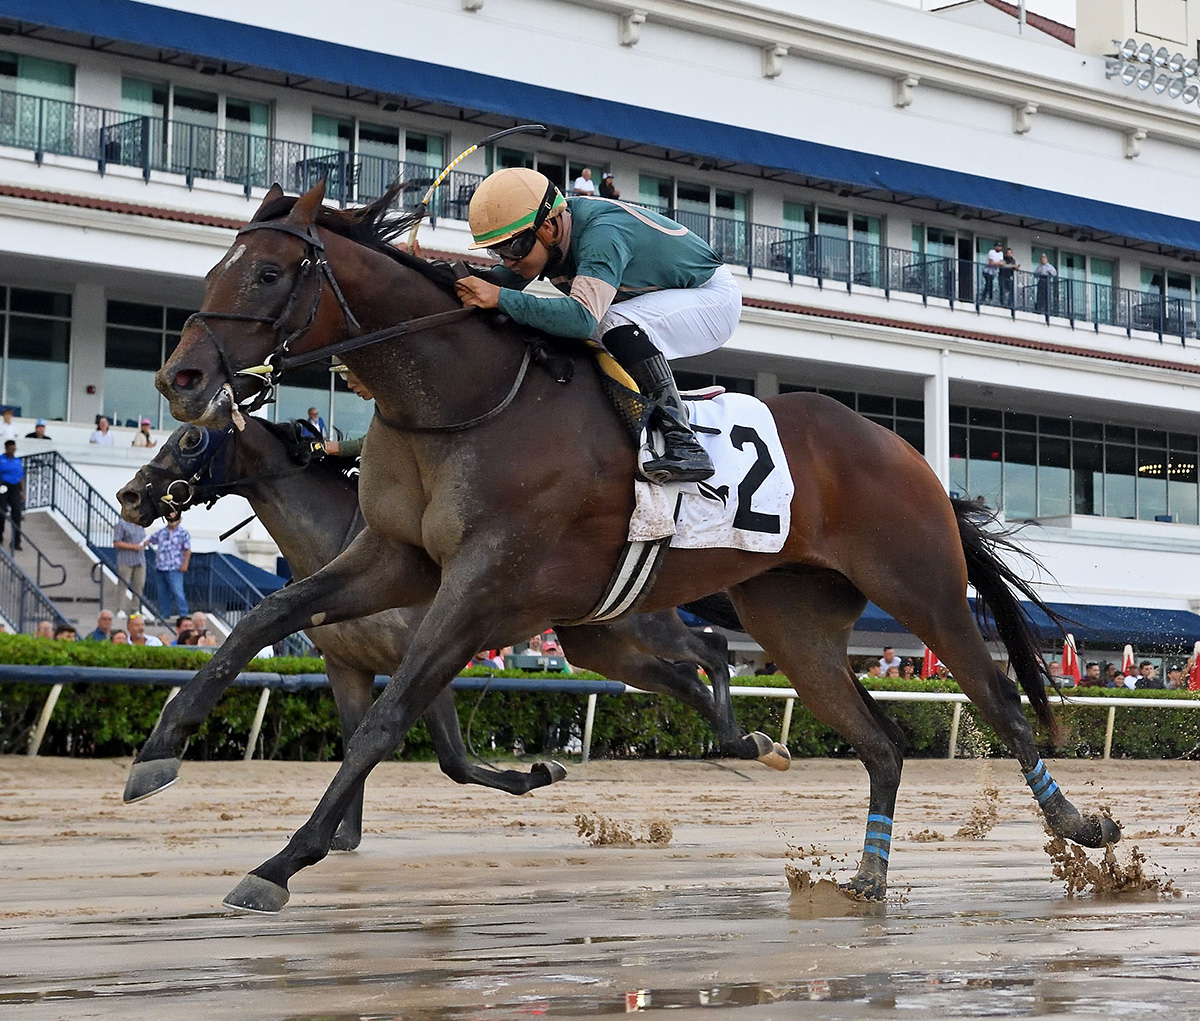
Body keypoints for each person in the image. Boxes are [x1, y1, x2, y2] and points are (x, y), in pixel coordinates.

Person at [456, 166, 741, 483]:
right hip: (667, 297)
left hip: (711, 297)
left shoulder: (600, 235)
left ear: (549, 227)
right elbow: (492, 285)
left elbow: (580, 319)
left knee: (608, 322)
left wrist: (501, 298)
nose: (508, 261)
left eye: (513, 248)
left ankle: (684, 443)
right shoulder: (546, 233)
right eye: (497, 250)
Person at [147, 513, 191, 618]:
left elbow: (187, 549)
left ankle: (183, 614)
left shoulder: (183, 533)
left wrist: (185, 564)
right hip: (161, 567)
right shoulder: (162, 532)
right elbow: (150, 539)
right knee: (162, 593)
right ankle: (164, 614)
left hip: (175, 567)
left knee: (177, 591)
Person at [112, 517, 148, 620]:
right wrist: (133, 546)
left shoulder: (141, 524)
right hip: (125, 560)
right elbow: (116, 542)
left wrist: (144, 543)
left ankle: (135, 609)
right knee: (123, 585)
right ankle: (120, 609)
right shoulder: (122, 524)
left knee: (139, 585)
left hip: (140, 560)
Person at [0, 439, 24, 550]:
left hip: (14, 488)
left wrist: (23, 491)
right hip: (3, 486)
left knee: (17, 514)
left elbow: (21, 477)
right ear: (6, 449)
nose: (12, 451)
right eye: (10, 449)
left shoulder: (17, 461)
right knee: (1, 513)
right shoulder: (1, 460)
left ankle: (16, 541)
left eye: (14, 449)